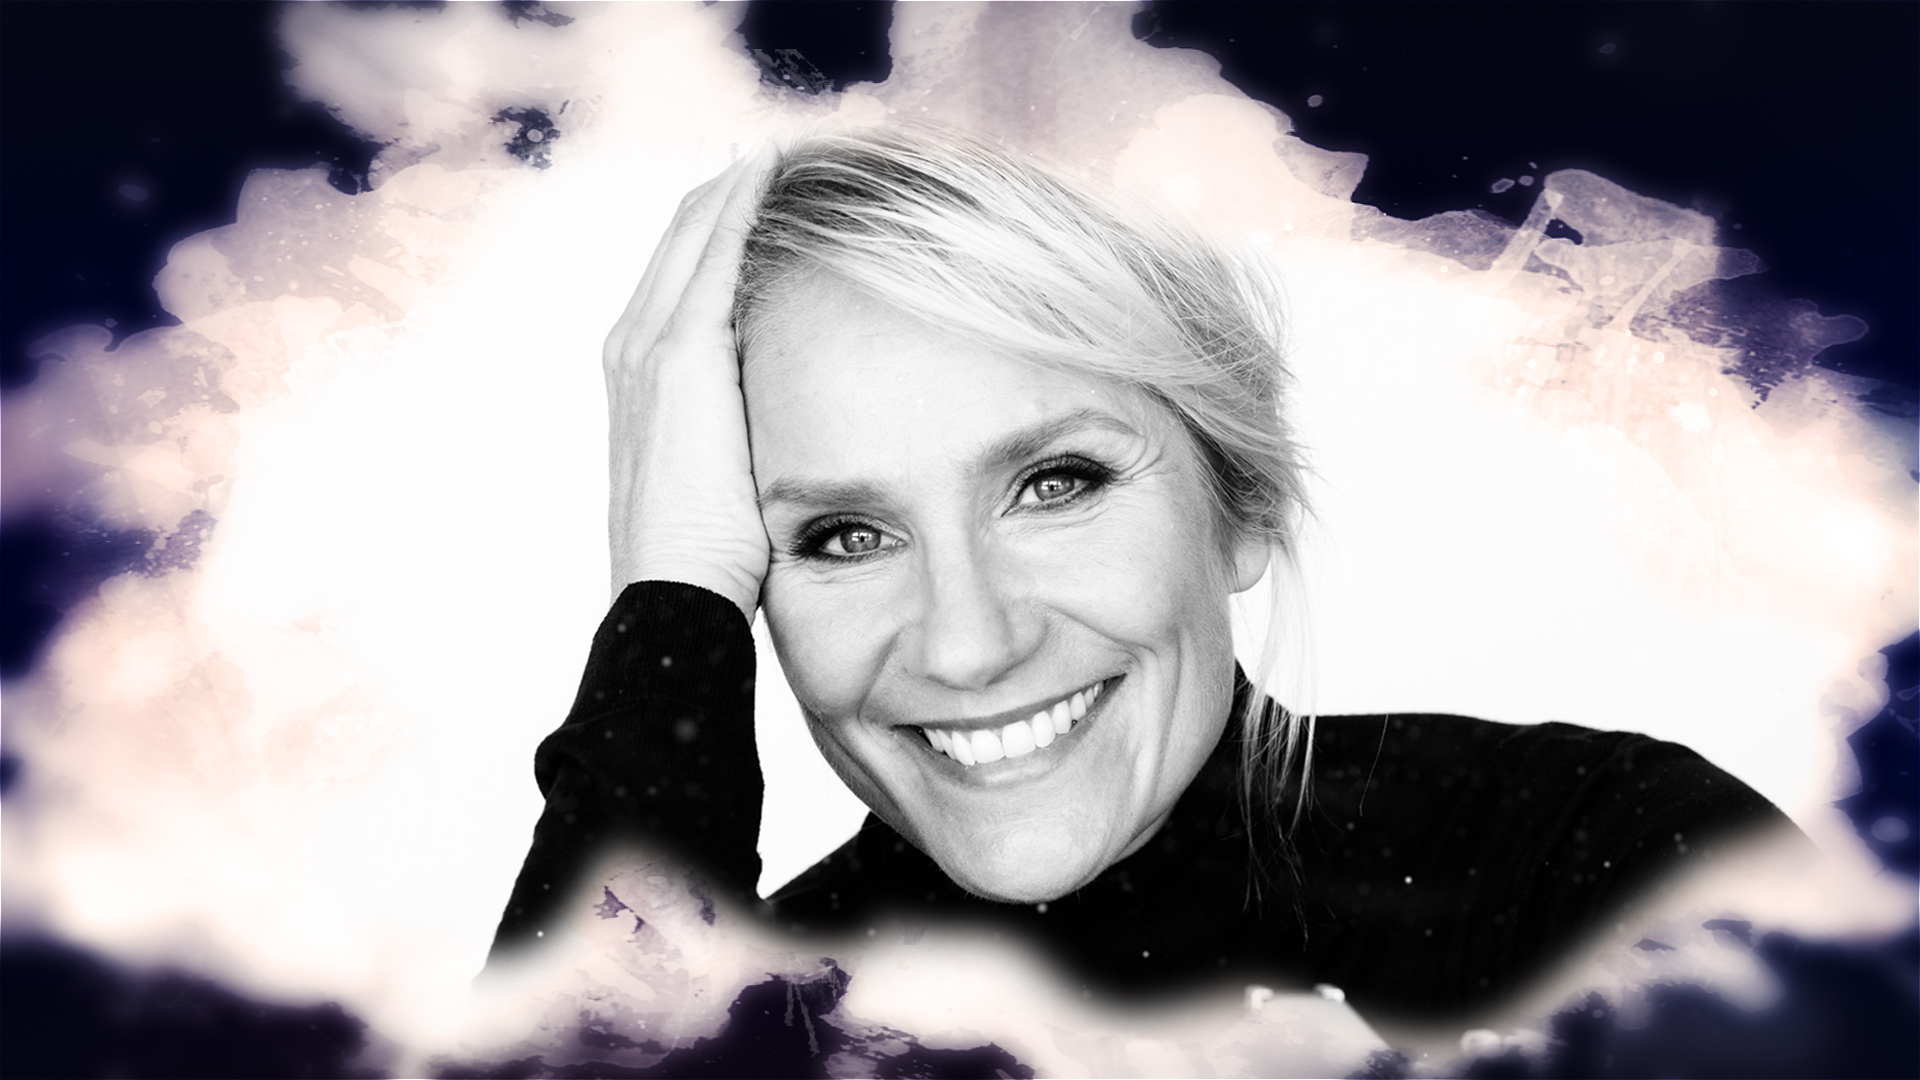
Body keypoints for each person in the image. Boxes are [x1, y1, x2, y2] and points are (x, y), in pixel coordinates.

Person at [490, 127, 1791, 1021]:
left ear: (1242, 504)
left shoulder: (1597, 867)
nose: (967, 646)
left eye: (1055, 484)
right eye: (843, 536)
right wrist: (672, 593)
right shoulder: (744, 1021)